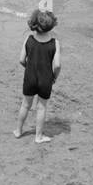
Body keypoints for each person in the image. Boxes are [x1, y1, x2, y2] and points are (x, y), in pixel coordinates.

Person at [15, 9, 60, 144]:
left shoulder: (28, 39)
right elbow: (57, 65)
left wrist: (28, 68)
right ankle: (38, 137)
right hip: (46, 79)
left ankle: (18, 131)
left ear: (34, 23)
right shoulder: (55, 43)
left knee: (25, 105)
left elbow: (21, 60)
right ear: (51, 26)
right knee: (41, 107)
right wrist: (54, 77)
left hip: (30, 77)